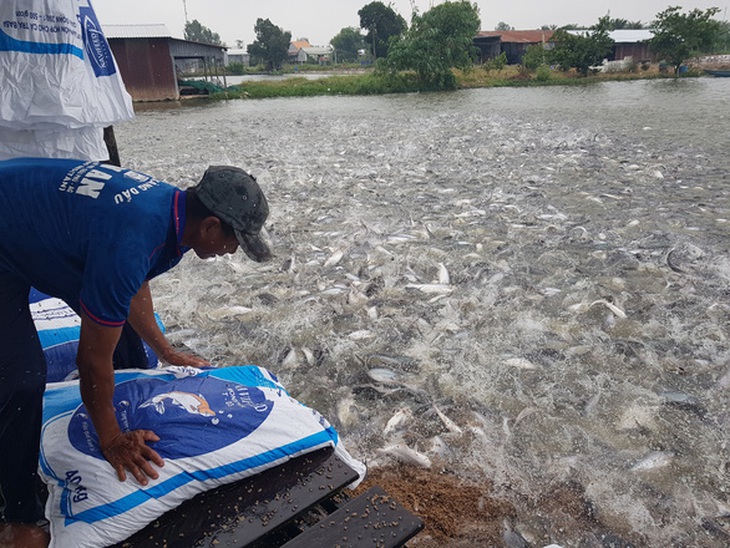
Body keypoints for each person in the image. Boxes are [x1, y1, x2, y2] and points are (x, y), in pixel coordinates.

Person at [0, 158, 271, 546]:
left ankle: (116, 422)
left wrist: (165, 350)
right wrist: (110, 440)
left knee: (130, 347)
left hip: (40, 228)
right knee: (20, 381)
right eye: (234, 242)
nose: (231, 252)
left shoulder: (171, 213)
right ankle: (18, 515)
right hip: (6, 241)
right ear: (210, 226)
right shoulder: (132, 237)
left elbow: (134, 278)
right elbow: (91, 360)